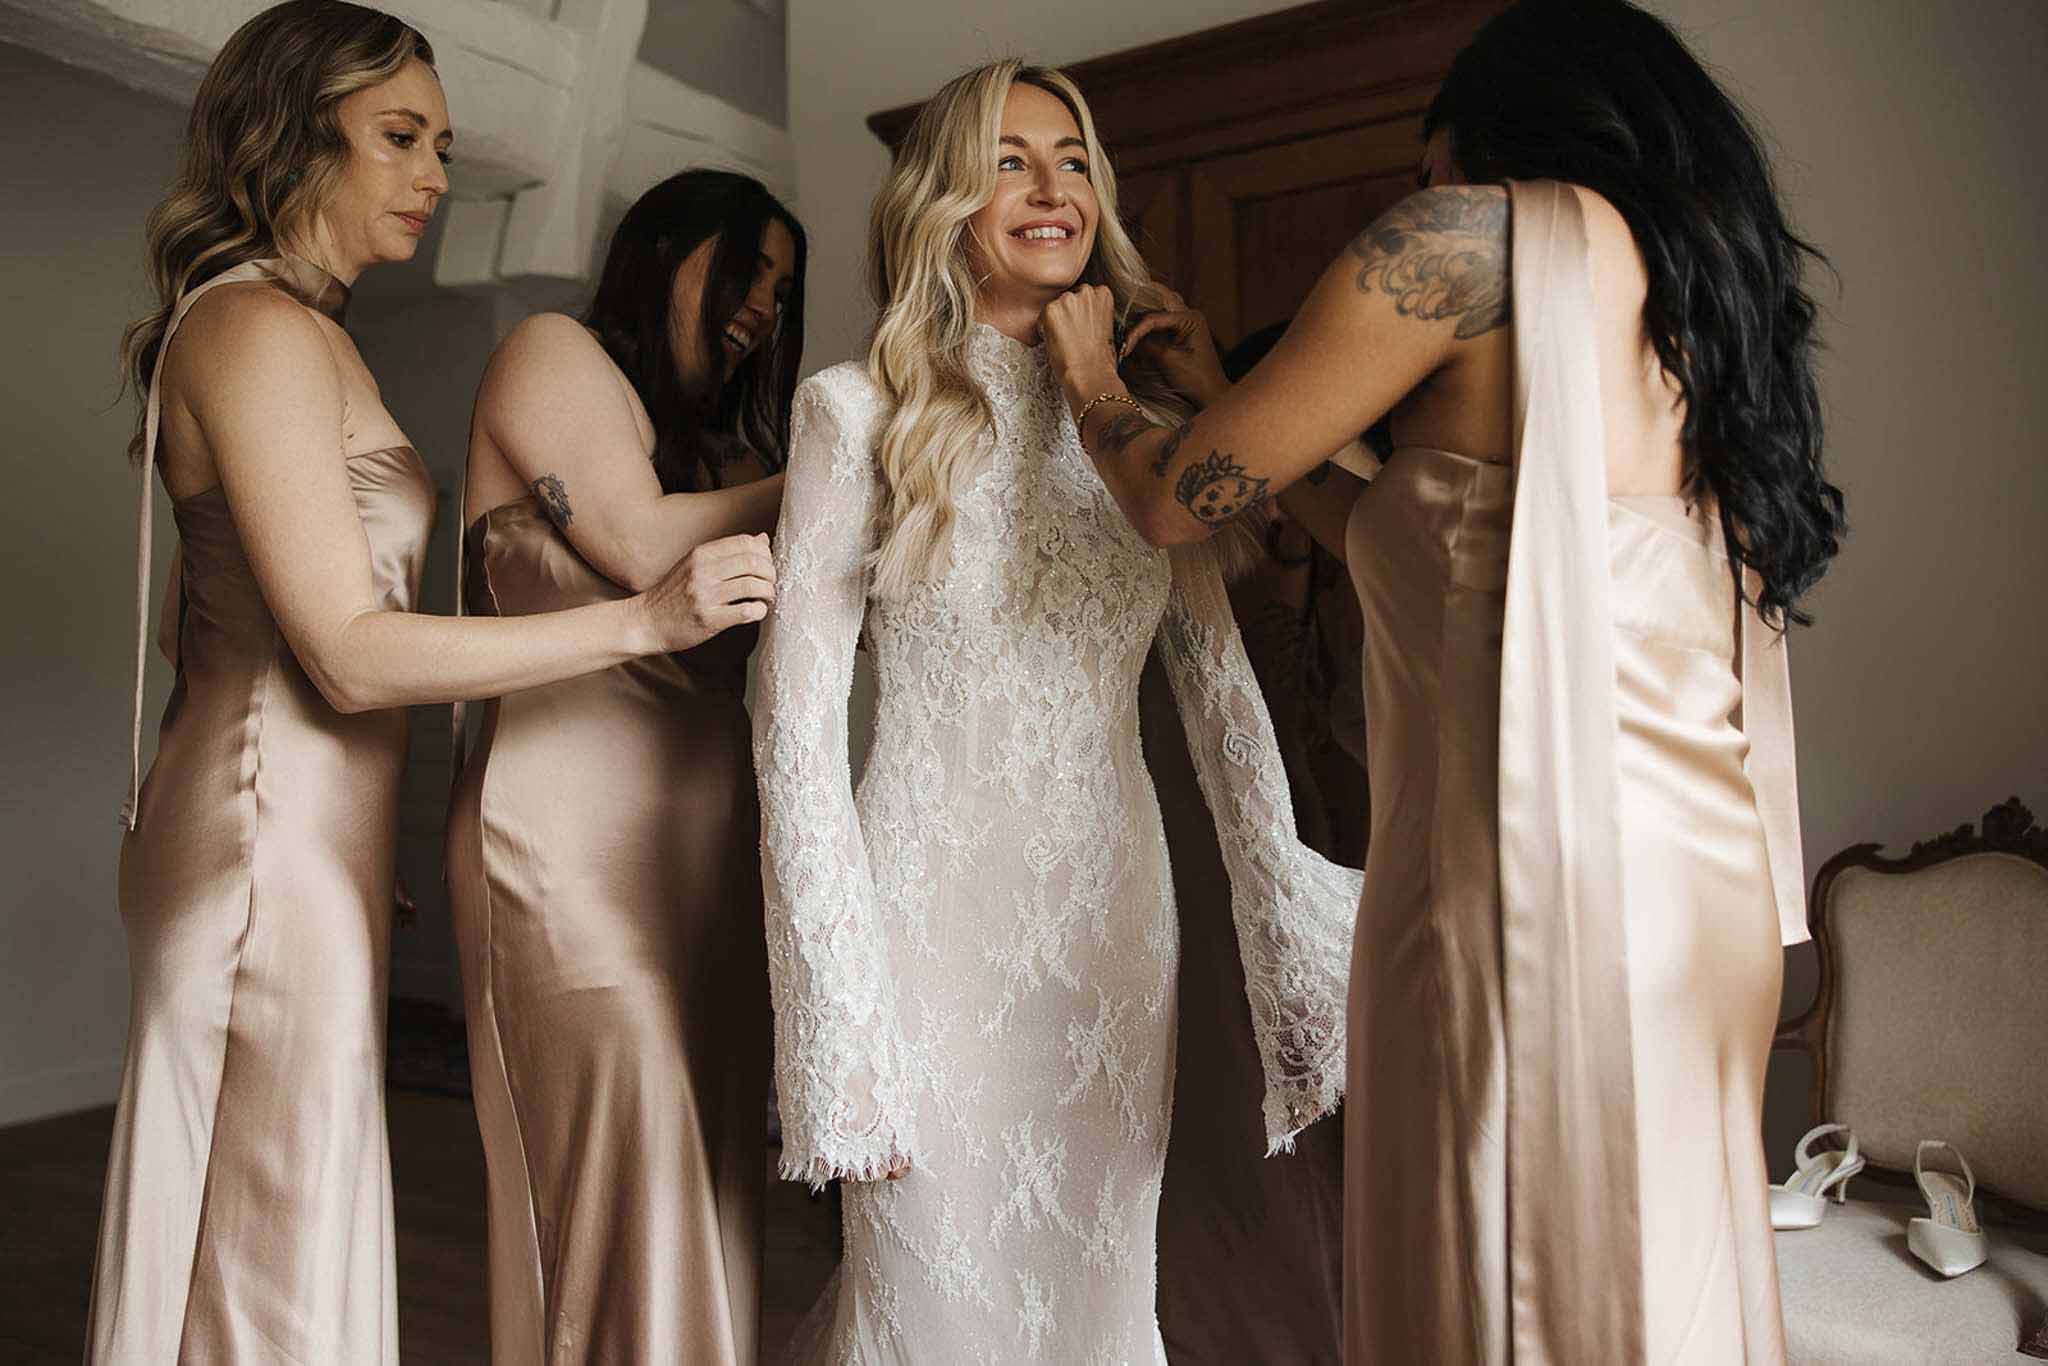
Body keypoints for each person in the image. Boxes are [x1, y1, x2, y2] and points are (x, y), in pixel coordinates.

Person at [1041, 0, 1845, 1359]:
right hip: (1697, 889)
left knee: (1500, 1269)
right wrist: (1240, 399)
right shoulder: (1695, 297)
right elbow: (1421, 542)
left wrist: (1089, 381)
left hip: (1529, 875)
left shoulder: (1463, 241)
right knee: (1655, 1277)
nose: (1425, 191)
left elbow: (1174, 499)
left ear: (1486, 141)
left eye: (1431, 166)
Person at [91, 6, 770, 1360]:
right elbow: (348, 652)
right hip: (267, 847)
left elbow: (193, 627)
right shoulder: (254, 330)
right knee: (264, 1260)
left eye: (444, 146)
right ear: (291, 137)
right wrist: (640, 621)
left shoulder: (299, 331)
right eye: (398, 137)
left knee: (275, 1227)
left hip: (288, 839)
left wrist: (323, 817)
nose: (433, 174)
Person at [752, 59, 1359, 1364]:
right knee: (924, 1289)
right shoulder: (852, 414)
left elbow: (1222, 700)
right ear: (944, 199)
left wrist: (1290, 915)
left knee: (1094, 1288)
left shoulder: (1143, 435)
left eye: (1074, 160)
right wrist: (834, 1016)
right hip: (926, 921)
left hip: (1110, 926)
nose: (1052, 188)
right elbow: (792, 733)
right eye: (1010, 160)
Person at [445, 167, 803, 1364]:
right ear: (665, 248)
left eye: (780, 288)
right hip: (562, 840)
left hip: (708, 858)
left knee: (707, 1178)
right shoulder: (552, 355)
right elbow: (640, 546)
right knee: (617, 1168)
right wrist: (862, 446)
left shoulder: (724, 450)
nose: (762, 304)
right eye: (747, 267)